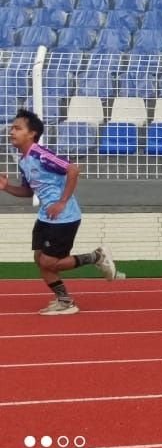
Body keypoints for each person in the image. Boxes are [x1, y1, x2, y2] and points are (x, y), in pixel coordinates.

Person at [0, 109, 120, 315]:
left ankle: (96, 257)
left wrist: (62, 201)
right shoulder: (23, 160)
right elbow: (28, 191)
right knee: (40, 259)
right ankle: (64, 301)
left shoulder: (41, 154)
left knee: (50, 262)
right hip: (46, 217)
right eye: (11, 128)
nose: (12, 131)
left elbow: (72, 169)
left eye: (17, 128)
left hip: (65, 217)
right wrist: (6, 187)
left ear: (32, 134)